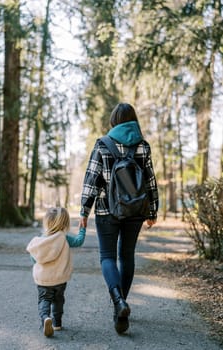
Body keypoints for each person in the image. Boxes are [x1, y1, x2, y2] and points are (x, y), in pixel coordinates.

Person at [79, 102, 159, 334]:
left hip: (107, 209)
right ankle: (120, 308)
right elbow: (150, 180)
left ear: (114, 120)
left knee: (107, 257)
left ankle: (118, 302)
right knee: (127, 257)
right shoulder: (143, 146)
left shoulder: (103, 144)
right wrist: (152, 210)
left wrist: (84, 210)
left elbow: (91, 178)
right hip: (135, 210)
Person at [26, 207, 86, 337]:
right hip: (59, 279)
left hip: (43, 279)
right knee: (58, 300)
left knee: (44, 300)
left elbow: (33, 259)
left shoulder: (40, 241)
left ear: (46, 222)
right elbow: (79, 241)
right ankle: (57, 323)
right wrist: (82, 228)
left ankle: (45, 318)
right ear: (65, 223)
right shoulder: (64, 238)